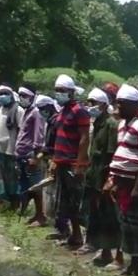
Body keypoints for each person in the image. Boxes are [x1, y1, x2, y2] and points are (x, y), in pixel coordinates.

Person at [105, 84, 138, 276]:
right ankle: (135, 264)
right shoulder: (122, 124)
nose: (118, 108)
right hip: (122, 182)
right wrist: (113, 179)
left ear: (135, 105)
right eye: (117, 103)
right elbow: (121, 153)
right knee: (127, 224)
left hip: (137, 182)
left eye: (122, 104)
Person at [76, 87, 122, 267]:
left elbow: (110, 154)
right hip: (94, 174)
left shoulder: (110, 124)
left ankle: (112, 253)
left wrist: (107, 180)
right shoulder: (97, 123)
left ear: (103, 104)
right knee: (96, 214)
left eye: (93, 103)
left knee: (108, 216)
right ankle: (102, 250)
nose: (90, 106)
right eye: (89, 103)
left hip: (103, 175)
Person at [50, 74, 91, 248]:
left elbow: (84, 138)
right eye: (57, 90)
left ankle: (79, 236)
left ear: (71, 92)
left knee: (75, 202)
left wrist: (80, 163)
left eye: (62, 91)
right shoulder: (63, 112)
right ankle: (73, 235)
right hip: (61, 161)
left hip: (72, 162)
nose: (59, 94)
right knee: (65, 201)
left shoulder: (78, 111)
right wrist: (54, 160)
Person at [17, 94, 54, 227]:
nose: (41, 110)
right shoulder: (45, 118)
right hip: (35, 155)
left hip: (35, 155)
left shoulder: (45, 118)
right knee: (32, 186)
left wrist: (36, 156)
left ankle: (41, 216)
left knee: (37, 186)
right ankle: (37, 214)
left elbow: (39, 138)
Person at [0, 85, 21, 211]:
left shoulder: (17, 110)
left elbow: (20, 129)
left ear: (11, 95)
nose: (2, 96)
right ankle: (1, 198)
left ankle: (13, 202)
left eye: (5, 93)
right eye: (0, 93)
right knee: (0, 175)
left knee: (11, 176)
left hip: (9, 148)